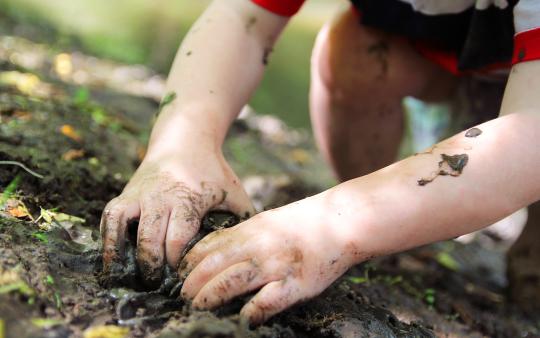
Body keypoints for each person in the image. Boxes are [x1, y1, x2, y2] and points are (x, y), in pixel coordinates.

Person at [100, 0, 540, 324]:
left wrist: (331, 223)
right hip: (450, 63)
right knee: (356, 49)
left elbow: (530, 132)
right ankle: (398, 237)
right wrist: (181, 148)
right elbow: (243, 18)